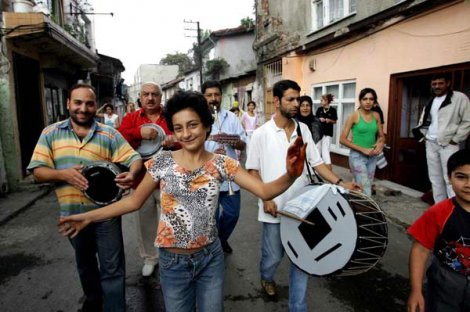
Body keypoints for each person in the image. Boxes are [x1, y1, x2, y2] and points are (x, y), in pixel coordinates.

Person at [58, 90, 307, 312]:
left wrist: (291, 174)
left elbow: (264, 191)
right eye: (178, 128)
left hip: (210, 259)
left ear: (206, 126)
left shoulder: (222, 163)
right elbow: (133, 202)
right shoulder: (162, 162)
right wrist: (88, 217)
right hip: (172, 263)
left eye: (192, 125)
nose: (186, 134)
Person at [246, 79, 360, 311]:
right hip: (275, 209)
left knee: (302, 260)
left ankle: (298, 307)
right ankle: (266, 276)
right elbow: (252, 171)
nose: (296, 104)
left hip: (305, 208)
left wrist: (340, 182)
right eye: (291, 99)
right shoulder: (261, 134)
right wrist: (266, 198)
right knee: (273, 257)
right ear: (276, 101)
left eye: (298, 98)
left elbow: (316, 163)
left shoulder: (303, 129)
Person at [27, 83, 142, 312]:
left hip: (105, 214)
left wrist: (133, 173)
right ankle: (93, 301)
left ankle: (114, 308)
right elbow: (37, 172)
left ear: (95, 107)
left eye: (89, 103)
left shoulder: (108, 133)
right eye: (77, 102)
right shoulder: (50, 133)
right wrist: (63, 174)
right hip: (72, 215)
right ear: (68, 103)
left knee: (112, 268)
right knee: (85, 264)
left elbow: (134, 157)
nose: (83, 108)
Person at [119, 82, 175, 277]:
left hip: (169, 179)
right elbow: (118, 140)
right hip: (141, 180)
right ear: (140, 98)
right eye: (146, 94)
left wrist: (174, 141)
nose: (150, 98)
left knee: (173, 221)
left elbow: (186, 136)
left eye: (154, 94)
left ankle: (173, 256)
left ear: (161, 97)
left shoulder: (171, 117)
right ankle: (150, 258)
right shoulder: (131, 118)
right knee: (145, 222)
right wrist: (137, 132)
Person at [407, 149, 470, 312]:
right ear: (449, 178)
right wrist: (416, 291)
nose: (468, 184)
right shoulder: (439, 212)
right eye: (461, 177)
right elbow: (420, 250)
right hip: (445, 283)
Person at [202, 80, 247, 254]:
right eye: (209, 95)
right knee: (210, 218)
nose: (214, 99)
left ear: (221, 96)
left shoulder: (232, 117)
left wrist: (233, 141)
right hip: (207, 175)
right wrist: (211, 143)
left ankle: (221, 239)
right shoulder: (197, 118)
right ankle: (214, 247)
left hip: (229, 176)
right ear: (203, 97)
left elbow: (243, 144)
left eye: (217, 95)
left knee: (232, 214)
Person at [412, 73, 470, 204]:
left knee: (450, 177)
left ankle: (456, 209)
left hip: (448, 144)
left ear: (448, 83)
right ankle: (441, 207)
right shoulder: (431, 100)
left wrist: (455, 139)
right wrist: (424, 136)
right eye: (434, 84)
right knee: (435, 178)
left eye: (440, 83)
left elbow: (467, 120)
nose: (437, 86)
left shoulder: (459, 98)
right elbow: (425, 120)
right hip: (431, 143)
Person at [340, 88, 386, 196]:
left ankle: (355, 207)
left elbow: (381, 136)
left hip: (372, 156)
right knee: (365, 188)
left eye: (371, 99)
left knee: (366, 185)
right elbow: (342, 139)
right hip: (357, 157)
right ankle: (367, 211)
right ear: (360, 101)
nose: (368, 102)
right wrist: (363, 149)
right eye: (365, 99)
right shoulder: (354, 115)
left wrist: (380, 143)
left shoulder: (376, 115)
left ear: (374, 101)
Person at [315, 93, 337, 170]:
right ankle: (317, 168)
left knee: (325, 150)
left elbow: (335, 121)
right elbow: (315, 119)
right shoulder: (319, 109)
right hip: (319, 133)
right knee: (317, 149)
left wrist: (329, 120)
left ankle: (328, 168)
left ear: (327, 101)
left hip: (328, 133)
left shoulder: (333, 110)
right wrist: (319, 119)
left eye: (322, 100)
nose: (320, 102)